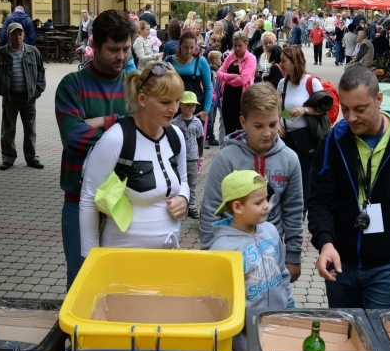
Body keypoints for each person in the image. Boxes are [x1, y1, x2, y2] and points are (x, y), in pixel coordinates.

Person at [308, 66, 390, 308]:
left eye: (360, 109)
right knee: (346, 338)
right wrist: (325, 243)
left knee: (378, 339)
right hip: (339, 263)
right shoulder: (331, 143)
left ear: (379, 99)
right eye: (345, 109)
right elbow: (319, 201)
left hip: (387, 267)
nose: (351, 117)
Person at [56, 10, 135, 286]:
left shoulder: (136, 83)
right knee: (81, 281)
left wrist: (103, 122)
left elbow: (151, 132)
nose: (121, 57)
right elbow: (74, 138)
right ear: (95, 45)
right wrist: (125, 126)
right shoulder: (72, 85)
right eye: (113, 50)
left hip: (128, 200)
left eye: (126, 49)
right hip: (79, 200)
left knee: (123, 282)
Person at [78, 61, 189, 254]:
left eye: (177, 100)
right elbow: (88, 198)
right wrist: (91, 257)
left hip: (167, 258)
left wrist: (183, 198)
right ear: (143, 99)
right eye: (165, 102)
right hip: (122, 257)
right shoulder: (116, 139)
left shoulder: (176, 135)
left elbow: (184, 179)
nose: (174, 108)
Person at [201, 82, 303, 268]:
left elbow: (294, 210)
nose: (267, 132)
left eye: (273, 124)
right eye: (258, 125)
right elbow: (211, 208)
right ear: (243, 122)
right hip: (231, 253)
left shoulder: (290, 159)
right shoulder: (226, 159)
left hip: (272, 251)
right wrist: (210, 254)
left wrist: (293, 255)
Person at [210, 170, 295, 351]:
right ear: (237, 207)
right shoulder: (223, 249)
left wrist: (289, 306)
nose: (267, 205)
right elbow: (216, 299)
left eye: (266, 198)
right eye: (259, 202)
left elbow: (282, 271)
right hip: (242, 334)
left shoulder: (270, 230)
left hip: (274, 322)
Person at [0, 22, 46, 171]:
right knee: (8, 128)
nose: (17, 36)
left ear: (24, 35)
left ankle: (31, 157)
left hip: (29, 97)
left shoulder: (33, 51)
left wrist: (37, 91)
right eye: (14, 34)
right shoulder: (0, 53)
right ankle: (8, 158)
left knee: (30, 129)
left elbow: (41, 72)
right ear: (8, 36)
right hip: (10, 97)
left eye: (20, 33)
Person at [277, 46, 325, 206]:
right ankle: (288, 204)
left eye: (284, 61)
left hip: (305, 138)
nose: (281, 64)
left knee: (305, 175)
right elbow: (281, 109)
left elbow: (324, 108)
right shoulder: (283, 83)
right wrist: (278, 122)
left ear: (295, 62)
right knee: (286, 174)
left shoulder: (312, 82)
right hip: (286, 137)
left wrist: (304, 110)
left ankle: (302, 208)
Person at [166, 31, 212, 123]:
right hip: (174, 108)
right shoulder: (169, 60)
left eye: (192, 47)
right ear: (180, 45)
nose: (189, 51)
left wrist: (206, 111)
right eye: (186, 47)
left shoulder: (201, 61)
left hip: (195, 109)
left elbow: (208, 88)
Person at [217, 32, 257, 135]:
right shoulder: (230, 56)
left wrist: (226, 79)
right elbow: (219, 75)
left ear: (246, 44)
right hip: (227, 96)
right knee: (228, 129)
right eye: (235, 45)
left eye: (240, 45)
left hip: (242, 98)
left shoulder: (251, 58)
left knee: (241, 129)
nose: (237, 48)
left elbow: (243, 80)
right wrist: (232, 76)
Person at [172, 91, 204, 219]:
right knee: (177, 181)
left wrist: (200, 154)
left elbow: (200, 139)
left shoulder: (197, 122)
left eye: (193, 105)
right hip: (177, 158)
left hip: (192, 157)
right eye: (188, 105)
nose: (191, 108)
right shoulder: (174, 122)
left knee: (192, 183)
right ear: (180, 105)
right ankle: (178, 205)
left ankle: (192, 206)